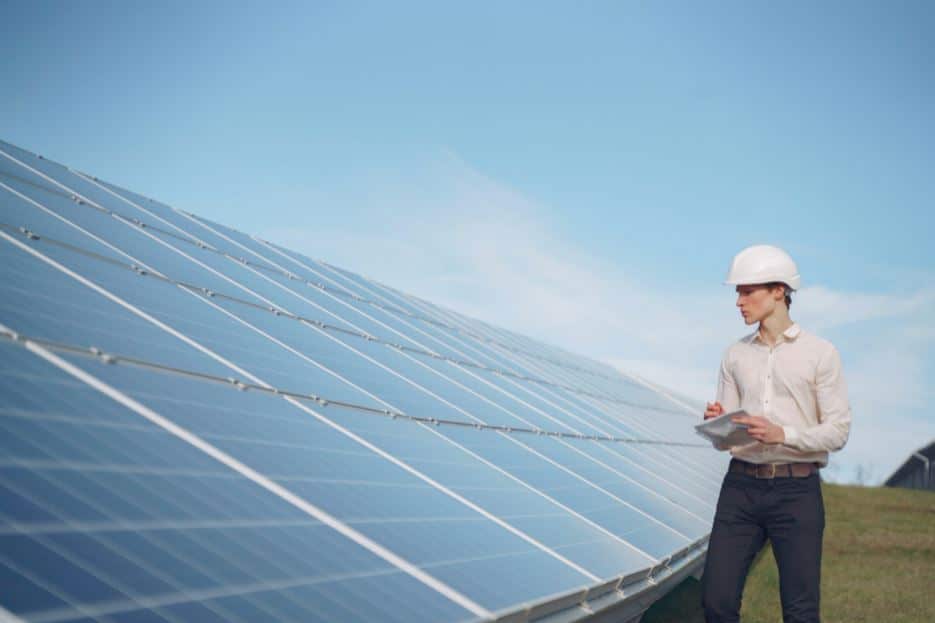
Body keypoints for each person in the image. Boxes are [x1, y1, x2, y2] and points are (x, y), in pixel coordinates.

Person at [700, 244, 851, 623]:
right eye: (737, 291)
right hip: (740, 489)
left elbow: (838, 431)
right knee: (716, 601)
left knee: (800, 611)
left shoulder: (821, 353)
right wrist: (720, 425)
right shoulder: (734, 355)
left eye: (747, 290)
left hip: (796, 493)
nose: (738, 301)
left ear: (779, 291)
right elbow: (725, 443)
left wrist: (783, 434)